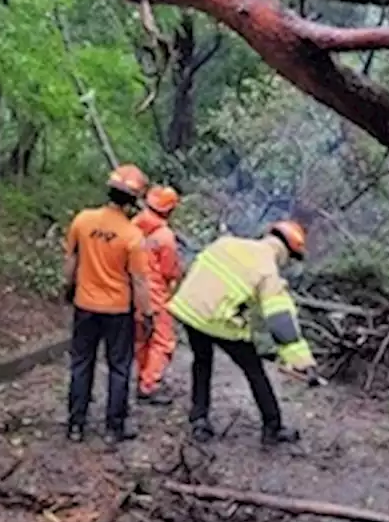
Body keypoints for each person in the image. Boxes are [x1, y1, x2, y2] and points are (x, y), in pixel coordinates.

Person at [168, 220, 317, 446]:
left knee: (201, 361)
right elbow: (280, 321)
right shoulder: (268, 272)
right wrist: (302, 361)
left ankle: (199, 419)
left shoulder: (226, 244)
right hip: (220, 323)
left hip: (190, 311)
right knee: (254, 370)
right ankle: (272, 427)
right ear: (286, 252)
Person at [63, 164, 153, 443]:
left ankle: (76, 425)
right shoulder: (132, 236)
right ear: (134, 201)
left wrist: (69, 287)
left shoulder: (83, 220)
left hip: (85, 305)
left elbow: (71, 261)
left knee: (81, 363)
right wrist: (146, 314)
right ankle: (114, 428)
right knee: (119, 367)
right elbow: (139, 281)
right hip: (117, 310)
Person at [133, 185, 183, 405]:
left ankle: (142, 376)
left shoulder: (133, 226)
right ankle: (149, 385)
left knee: (141, 338)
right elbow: (169, 271)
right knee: (163, 341)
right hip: (155, 294)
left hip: (133, 291)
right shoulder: (165, 237)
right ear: (170, 210)